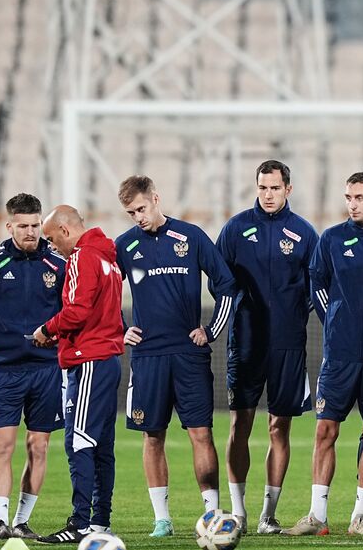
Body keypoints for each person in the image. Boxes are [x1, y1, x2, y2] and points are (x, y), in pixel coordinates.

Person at [114, 176, 238, 536]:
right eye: (130, 212)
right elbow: (104, 290)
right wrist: (119, 327)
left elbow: (226, 284)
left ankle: (212, 514)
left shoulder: (192, 237)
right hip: (148, 356)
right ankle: (162, 519)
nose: (137, 217)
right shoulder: (124, 245)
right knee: (152, 436)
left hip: (188, 353)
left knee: (201, 433)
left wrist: (211, 330)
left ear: (155, 198)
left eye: (141, 208)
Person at [284, 173, 363, 536]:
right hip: (340, 352)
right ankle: (316, 516)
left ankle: (360, 516)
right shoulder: (332, 238)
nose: (351, 203)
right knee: (325, 430)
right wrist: (334, 319)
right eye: (348, 197)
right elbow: (316, 282)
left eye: (358, 197)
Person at [214, 160, 319, 533]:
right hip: (245, 341)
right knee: (239, 423)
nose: (268, 194)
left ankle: (267, 515)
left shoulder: (305, 233)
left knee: (280, 426)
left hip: (288, 342)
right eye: (262, 188)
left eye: (274, 188)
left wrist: (293, 313)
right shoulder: (236, 228)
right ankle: (238, 511)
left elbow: (316, 285)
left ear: (288, 189)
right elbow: (218, 278)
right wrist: (239, 309)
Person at [0, 192, 67, 539]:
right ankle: (0, 520)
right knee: (3, 445)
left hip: (47, 370)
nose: (30, 232)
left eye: (35, 225)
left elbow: (68, 314)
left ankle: (22, 521)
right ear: (9, 225)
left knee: (38, 445)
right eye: (23, 225)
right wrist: (2, 350)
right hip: (7, 371)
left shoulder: (59, 265)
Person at [31, 206, 125, 544]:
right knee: (101, 445)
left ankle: (80, 523)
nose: (53, 247)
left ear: (65, 230)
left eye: (53, 239)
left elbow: (78, 310)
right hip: (107, 359)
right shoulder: (108, 258)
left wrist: (47, 329)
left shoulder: (83, 257)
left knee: (79, 441)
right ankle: (99, 521)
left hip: (88, 360)